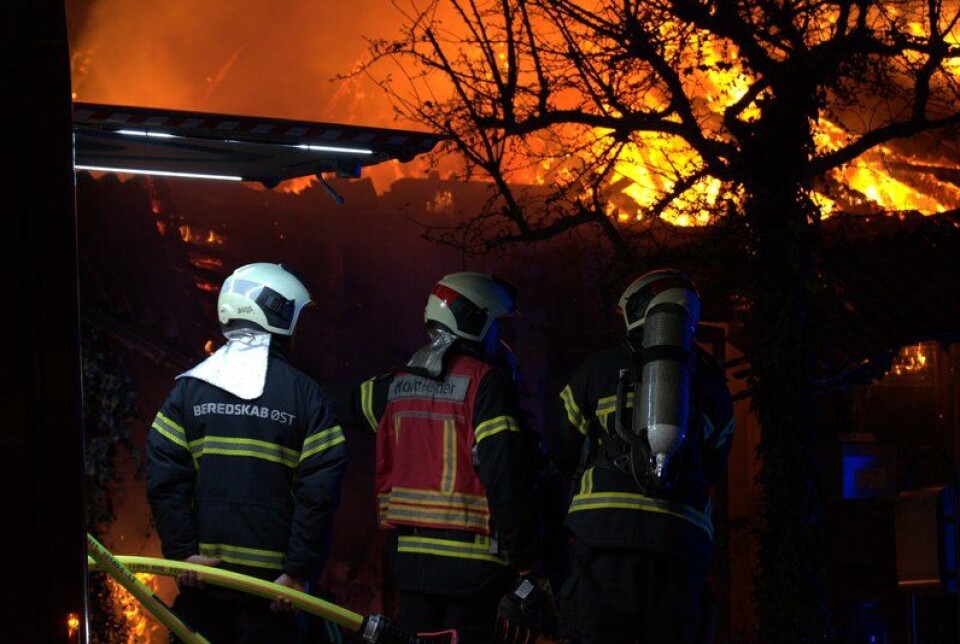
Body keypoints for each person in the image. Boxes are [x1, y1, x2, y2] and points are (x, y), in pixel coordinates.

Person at [336, 272, 543, 644]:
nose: (499, 337)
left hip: (410, 566)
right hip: (475, 569)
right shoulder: (487, 383)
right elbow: (506, 477)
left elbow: (335, 403)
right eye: (496, 326)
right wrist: (527, 561)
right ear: (475, 321)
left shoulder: (395, 386)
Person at [146, 262, 347, 642]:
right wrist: (297, 572)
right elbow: (319, 494)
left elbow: (164, 479)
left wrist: (184, 553)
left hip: (205, 587)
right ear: (279, 312)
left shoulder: (187, 391)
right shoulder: (307, 397)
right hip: (276, 597)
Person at [553, 269, 735, 644]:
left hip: (603, 538)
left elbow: (562, 448)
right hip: (680, 543)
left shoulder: (597, 368)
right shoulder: (713, 385)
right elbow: (714, 465)